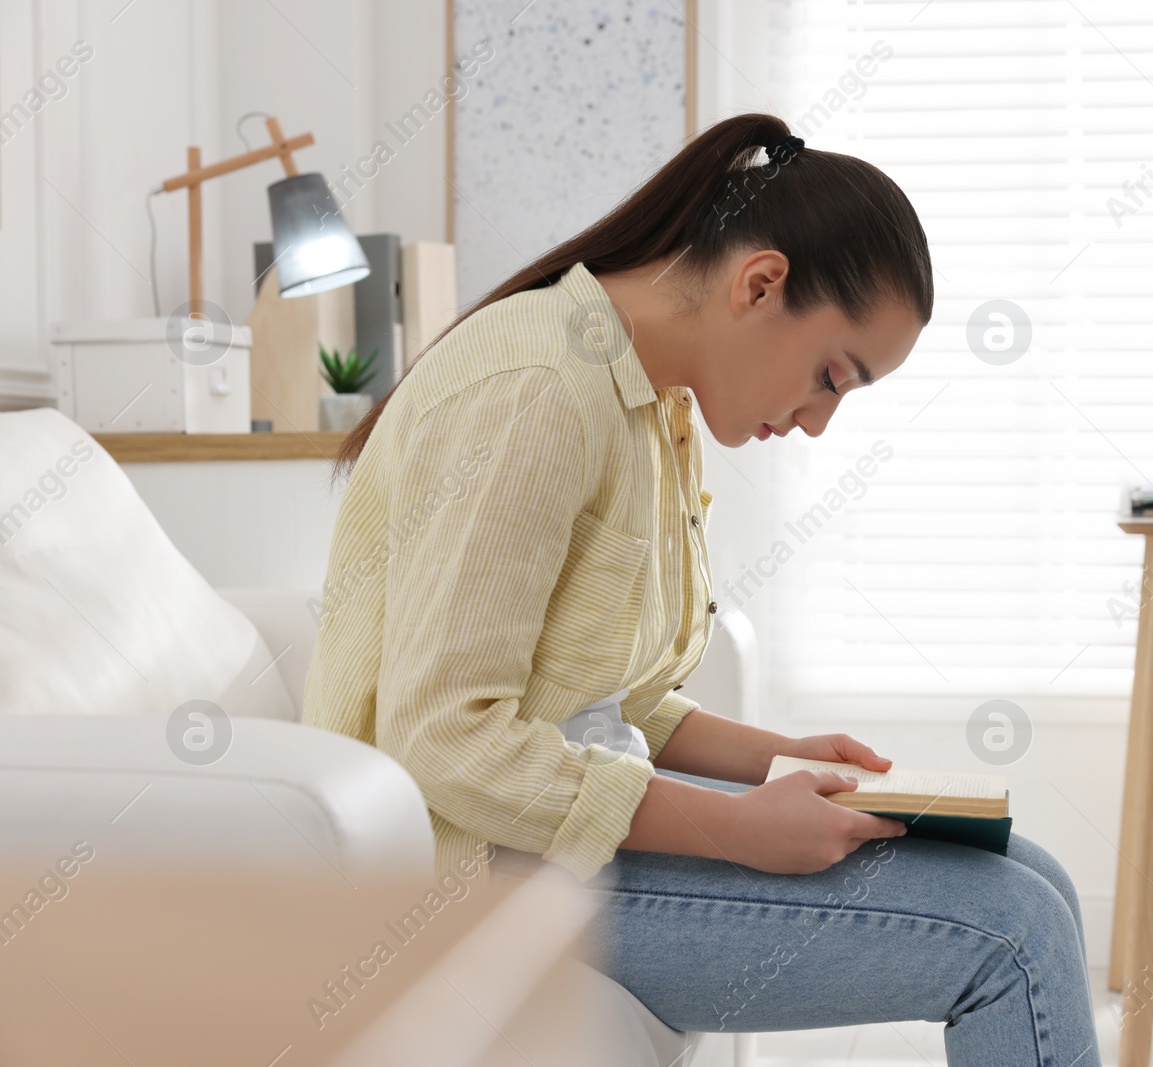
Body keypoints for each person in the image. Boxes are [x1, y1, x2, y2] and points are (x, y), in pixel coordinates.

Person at [302, 112, 1101, 1067]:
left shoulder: (644, 399)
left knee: (1033, 877)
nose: (816, 423)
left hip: (553, 844)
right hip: (478, 874)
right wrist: (735, 826)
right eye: (830, 376)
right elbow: (443, 736)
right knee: (1016, 935)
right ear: (760, 283)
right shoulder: (536, 389)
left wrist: (777, 758)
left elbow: (609, 695)